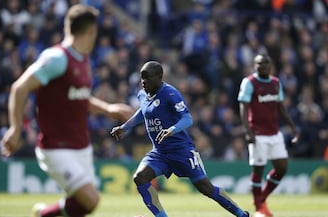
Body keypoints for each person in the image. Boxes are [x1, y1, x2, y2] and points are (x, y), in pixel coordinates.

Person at [0, 4, 133, 217]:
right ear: (91, 31)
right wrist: (16, 129)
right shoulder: (56, 58)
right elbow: (19, 87)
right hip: (56, 147)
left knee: (81, 206)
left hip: (81, 145)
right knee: (91, 200)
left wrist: (108, 109)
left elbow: (78, 97)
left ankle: (44, 214)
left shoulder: (83, 59)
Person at [110, 61, 250, 217]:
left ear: (159, 77)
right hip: (160, 152)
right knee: (140, 177)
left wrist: (172, 130)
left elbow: (187, 118)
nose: (143, 82)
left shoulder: (171, 94)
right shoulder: (142, 94)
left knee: (206, 188)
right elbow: (143, 111)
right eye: (142, 78)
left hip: (182, 150)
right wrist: (125, 127)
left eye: (147, 78)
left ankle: (242, 214)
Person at [238, 53, 300, 217]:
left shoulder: (275, 83)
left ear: (271, 65)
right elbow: (243, 107)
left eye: (266, 63)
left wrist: (292, 126)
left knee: (282, 168)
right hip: (257, 133)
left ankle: (261, 199)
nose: (263, 66)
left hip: (274, 132)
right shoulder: (249, 82)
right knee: (258, 170)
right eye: (259, 63)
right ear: (254, 65)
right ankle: (260, 208)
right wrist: (248, 131)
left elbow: (280, 107)